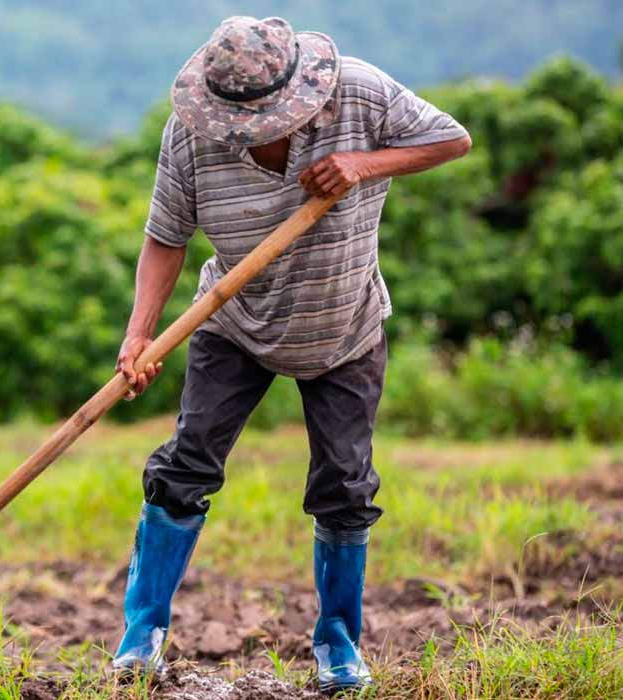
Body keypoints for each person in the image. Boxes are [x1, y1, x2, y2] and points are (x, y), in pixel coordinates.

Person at [112, 15, 471, 694]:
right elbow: (166, 236)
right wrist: (140, 335)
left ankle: (338, 648)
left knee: (344, 484)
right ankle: (141, 639)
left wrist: (363, 164)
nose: (250, 134)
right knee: (185, 466)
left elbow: (452, 139)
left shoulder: (360, 93)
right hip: (233, 321)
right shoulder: (191, 134)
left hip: (345, 326)